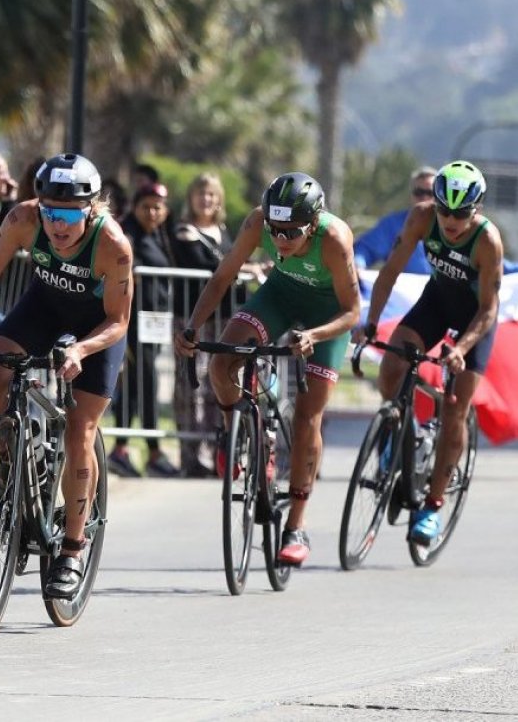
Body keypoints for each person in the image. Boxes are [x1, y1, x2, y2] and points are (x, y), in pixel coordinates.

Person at [0, 153, 134, 599]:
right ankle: (10, 458)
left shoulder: (112, 245)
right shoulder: (23, 219)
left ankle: (71, 548)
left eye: (68, 215)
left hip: (96, 329)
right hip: (43, 307)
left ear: (90, 209)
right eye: (51, 213)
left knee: (80, 429)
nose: (58, 225)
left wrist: (81, 349)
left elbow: (119, 321)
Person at [173, 172, 361, 567]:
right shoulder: (257, 221)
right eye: (275, 231)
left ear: (313, 223)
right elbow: (223, 276)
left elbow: (352, 312)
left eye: (291, 233)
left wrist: (315, 334)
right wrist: (191, 326)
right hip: (279, 295)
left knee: (309, 415)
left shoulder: (334, 239)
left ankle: (296, 525)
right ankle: (233, 430)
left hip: (326, 315)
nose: (280, 241)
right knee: (223, 363)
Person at [355, 161, 503, 545]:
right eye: (444, 211)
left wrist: (462, 349)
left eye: (461, 213)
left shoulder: (487, 241)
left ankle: (433, 506)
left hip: (474, 319)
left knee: (456, 406)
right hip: (436, 302)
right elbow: (389, 272)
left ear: (477, 209)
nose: (451, 221)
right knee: (391, 364)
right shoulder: (422, 219)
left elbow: (489, 310)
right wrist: (370, 323)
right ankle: (403, 430)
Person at [108, 182, 179, 478]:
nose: (152, 212)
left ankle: (136, 451)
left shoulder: (159, 235)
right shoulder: (129, 233)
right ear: (134, 207)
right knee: (142, 385)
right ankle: (134, 450)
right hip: (133, 321)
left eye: (158, 207)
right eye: (146, 206)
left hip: (155, 323)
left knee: (143, 386)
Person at [171, 172, 233, 478]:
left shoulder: (223, 230)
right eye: (200, 193)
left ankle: (214, 452)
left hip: (223, 318)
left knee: (215, 384)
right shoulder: (184, 231)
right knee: (190, 385)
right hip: (191, 317)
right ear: (191, 198)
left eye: (211, 194)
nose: (206, 199)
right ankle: (191, 455)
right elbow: (207, 268)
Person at [354, 167, 436, 274]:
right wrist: (358, 264)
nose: (424, 198)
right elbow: (366, 249)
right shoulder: (393, 225)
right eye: (419, 192)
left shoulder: (451, 226)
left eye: (430, 193)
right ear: (411, 194)